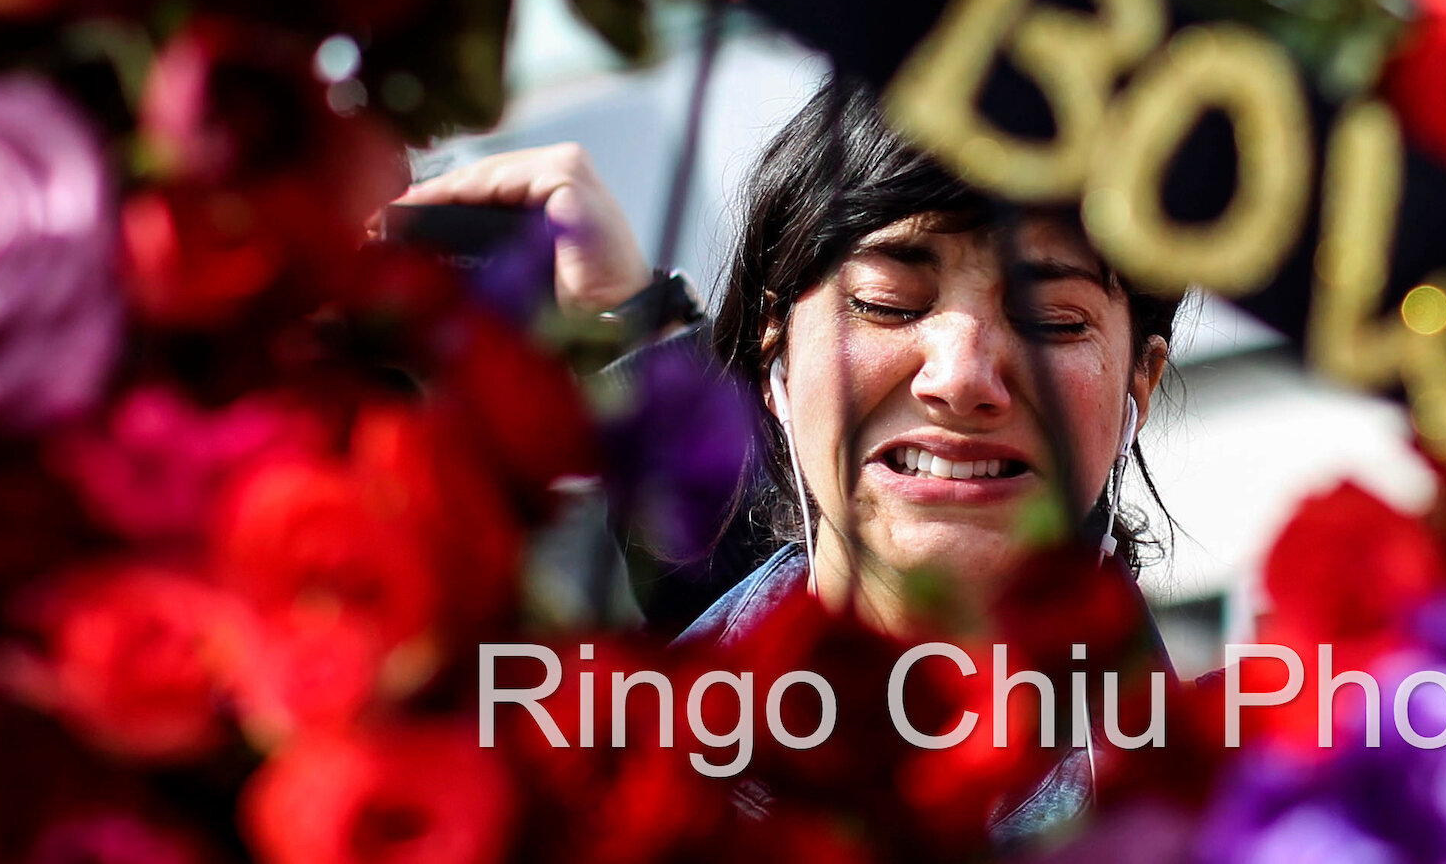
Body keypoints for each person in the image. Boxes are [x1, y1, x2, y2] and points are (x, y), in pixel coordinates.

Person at [395, 78, 1182, 839]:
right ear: (776, 354)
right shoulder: (586, 770)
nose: (960, 377)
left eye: (1052, 319)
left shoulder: (1217, 820)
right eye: (886, 303)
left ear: (1138, 385)